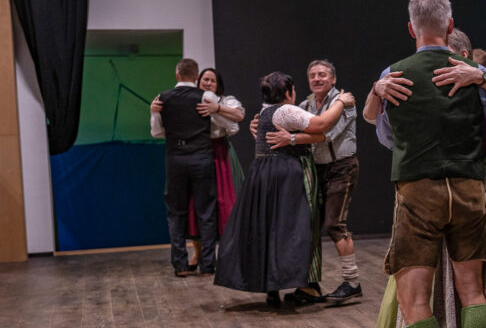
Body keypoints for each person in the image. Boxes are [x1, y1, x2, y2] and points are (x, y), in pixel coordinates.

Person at [366, 0, 486, 328]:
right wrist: (481, 75)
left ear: (411, 28)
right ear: (450, 26)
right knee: (473, 291)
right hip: (469, 188)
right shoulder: (472, 72)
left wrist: (376, 91)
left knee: (414, 299)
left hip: (418, 191)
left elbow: (377, 125)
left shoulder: (393, 73)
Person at [214, 72, 354, 307]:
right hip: (286, 173)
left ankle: (276, 285)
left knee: (269, 228)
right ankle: (304, 285)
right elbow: (322, 125)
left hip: (263, 173)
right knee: (297, 228)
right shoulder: (285, 110)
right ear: (288, 93)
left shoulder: (264, 112)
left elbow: (318, 133)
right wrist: (341, 101)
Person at [266, 60, 362, 304]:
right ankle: (308, 286)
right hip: (315, 168)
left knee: (334, 224)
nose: (317, 79)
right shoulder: (305, 105)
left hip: (341, 167)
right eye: (312, 75)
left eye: (322, 74)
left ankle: (352, 282)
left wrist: (292, 138)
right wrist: (259, 123)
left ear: (333, 79)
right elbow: (284, 123)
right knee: (307, 225)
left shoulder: (344, 101)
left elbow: (326, 134)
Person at [155, 67, 245, 269]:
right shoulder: (190, 100)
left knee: (224, 203)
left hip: (218, 153)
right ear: (197, 80)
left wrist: (216, 108)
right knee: (194, 206)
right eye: (205, 79)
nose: (208, 83)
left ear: (218, 84)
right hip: (196, 153)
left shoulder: (225, 101)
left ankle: (226, 255)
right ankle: (198, 253)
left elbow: (237, 118)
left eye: (212, 80)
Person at [150, 58, 218, 277]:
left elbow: (156, 132)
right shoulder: (207, 97)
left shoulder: (162, 98)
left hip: (175, 158)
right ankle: (208, 265)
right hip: (201, 157)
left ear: (177, 75)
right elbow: (222, 125)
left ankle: (180, 265)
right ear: (197, 77)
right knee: (206, 212)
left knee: (176, 212)